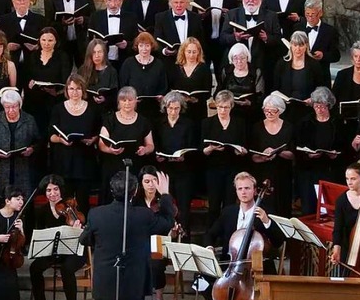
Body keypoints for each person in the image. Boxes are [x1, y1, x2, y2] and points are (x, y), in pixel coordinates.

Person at [79, 170, 175, 300]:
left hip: (105, 280)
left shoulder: (96, 213)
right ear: (135, 190)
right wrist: (165, 194)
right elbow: (168, 222)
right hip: (133, 282)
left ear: (111, 190)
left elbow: (85, 240)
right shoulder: (143, 215)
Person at [202, 172, 285, 300]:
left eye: (247, 188)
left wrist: (267, 222)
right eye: (240, 189)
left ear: (255, 190)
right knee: (200, 281)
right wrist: (209, 246)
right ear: (236, 191)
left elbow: (278, 241)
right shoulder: (229, 212)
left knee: (265, 289)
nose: (243, 192)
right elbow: (210, 233)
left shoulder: (264, 213)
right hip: (231, 265)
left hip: (257, 266)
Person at [28, 175, 86, 300]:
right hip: (53, 250)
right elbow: (39, 232)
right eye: (48, 190)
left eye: (55, 189)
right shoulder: (41, 210)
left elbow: (86, 232)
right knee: (34, 268)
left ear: (61, 190)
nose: (52, 193)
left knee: (67, 269)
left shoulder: (70, 206)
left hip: (73, 249)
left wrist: (78, 229)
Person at [49, 74, 101, 217]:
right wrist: (61, 140)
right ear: (66, 90)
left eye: (78, 89)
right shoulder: (58, 109)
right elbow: (51, 135)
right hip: (64, 161)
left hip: (84, 161)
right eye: (71, 89)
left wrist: (93, 140)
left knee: (83, 200)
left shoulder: (92, 109)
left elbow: (98, 131)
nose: (74, 92)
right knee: (65, 200)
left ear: (83, 90)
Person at [133, 166, 179, 300]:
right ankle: (137, 298)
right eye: (147, 181)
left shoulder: (165, 200)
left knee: (156, 263)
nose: (151, 184)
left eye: (154, 180)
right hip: (139, 243)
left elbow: (171, 221)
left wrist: (173, 231)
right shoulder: (135, 201)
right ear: (141, 183)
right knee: (134, 260)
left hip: (159, 242)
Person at [220, 0, 282, 94]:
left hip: (262, 63)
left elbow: (278, 40)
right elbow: (223, 38)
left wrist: (267, 38)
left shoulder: (271, 16)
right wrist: (236, 37)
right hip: (237, 67)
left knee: (262, 96)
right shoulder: (232, 14)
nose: (250, 0)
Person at [98, 86, 154, 205]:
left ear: (136, 101)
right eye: (124, 100)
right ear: (119, 102)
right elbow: (101, 143)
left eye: (130, 100)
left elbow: (150, 145)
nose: (127, 103)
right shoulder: (110, 119)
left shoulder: (143, 121)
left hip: (135, 165)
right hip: (113, 165)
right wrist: (110, 150)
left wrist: (145, 150)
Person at [295, 87, 345, 215]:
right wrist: (308, 155)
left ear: (329, 106)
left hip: (331, 171)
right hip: (309, 172)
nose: (320, 110)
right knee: (310, 209)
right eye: (316, 106)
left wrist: (336, 155)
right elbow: (297, 147)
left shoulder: (338, 122)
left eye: (323, 106)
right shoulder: (305, 122)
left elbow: (345, 147)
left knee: (330, 209)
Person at [201, 90, 249, 224]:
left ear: (231, 106)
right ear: (216, 105)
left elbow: (245, 147)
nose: (223, 110)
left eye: (226, 107)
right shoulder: (207, 123)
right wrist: (210, 148)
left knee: (230, 205)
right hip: (213, 169)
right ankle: (211, 236)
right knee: (214, 205)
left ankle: (228, 236)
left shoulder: (239, 123)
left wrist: (241, 151)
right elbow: (202, 150)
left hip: (232, 168)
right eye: (220, 107)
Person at [153, 91, 197, 236]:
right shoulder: (159, 123)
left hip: (183, 170)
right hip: (165, 169)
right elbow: (156, 145)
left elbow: (193, 146)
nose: (173, 111)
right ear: (165, 108)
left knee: (184, 206)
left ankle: (184, 237)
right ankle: (166, 236)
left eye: (176, 108)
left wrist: (184, 157)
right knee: (165, 204)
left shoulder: (188, 124)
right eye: (170, 108)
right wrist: (158, 156)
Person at [0, 89, 40, 199]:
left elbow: (38, 141)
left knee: (22, 200)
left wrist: (32, 149)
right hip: (1, 169)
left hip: (23, 169)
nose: (11, 110)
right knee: (0, 200)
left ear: (20, 105)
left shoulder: (29, 120)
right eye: (7, 107)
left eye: (14, 106)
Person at [23, 26, 72, 142]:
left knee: (51, 133)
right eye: (43, 40)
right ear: (39, 40)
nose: (46, 43)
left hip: (54, 100)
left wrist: (55, 90)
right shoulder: (33, 56)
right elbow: (26, 75)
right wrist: (29, 83)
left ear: (56, 41)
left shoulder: (62, 56)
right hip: (34, 101)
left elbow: (64, 80)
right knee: (36, 135)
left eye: (50, 40)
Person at [249, 94, 295, 217]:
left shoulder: (288, 127)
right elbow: (252, 156)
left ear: (280, 111)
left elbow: (292, 154)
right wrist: (263, 157)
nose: (268, 114)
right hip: (262, 173)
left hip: (282, 173)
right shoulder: (257, 127)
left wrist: (277, 152)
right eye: (266, 110)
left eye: (272, 111)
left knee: (282, 207)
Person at [192, 0, 239, 75]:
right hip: (205, 41)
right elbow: (193, 19)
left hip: (223, 42)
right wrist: (201, 17)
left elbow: (237, 20)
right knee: (203, 73)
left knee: (222, 73)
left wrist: (229, 16)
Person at [44, 0, 96, 66]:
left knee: (84, 71)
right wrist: (62, 23)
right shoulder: (50, 0)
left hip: (81, 42)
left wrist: (83, 20)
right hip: (61, 43)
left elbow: (94, 19)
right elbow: (48, 25)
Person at [272, 30, 325, 123]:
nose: (298, 49)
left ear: (306, 46)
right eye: (295, 45)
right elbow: (275, 88)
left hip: (307, 110)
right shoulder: (281, 64)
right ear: (291, 45)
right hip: (286, 109)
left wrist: (313, 99)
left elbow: (321, 87)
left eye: (301, 45)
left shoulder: (314, 65)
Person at [0, 0, 47, 81]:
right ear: (13, 2)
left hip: (33, 65)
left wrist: (37, 46)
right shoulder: (4, 20)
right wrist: (7, 47)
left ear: (29, 1)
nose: (22, 3)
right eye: (19, 0)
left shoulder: (40, 20)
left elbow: (46, 41)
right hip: (11, 64)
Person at [119, 32, 168, 120]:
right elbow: (123, 86)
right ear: (137, 46)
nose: (144, 49)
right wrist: (130, 98)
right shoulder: (128, 63)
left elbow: (163, 86)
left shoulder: (159, 64)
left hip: (153, 110)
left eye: (147, 45)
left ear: (152, 46)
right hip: (132, 109)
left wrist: (161, 96)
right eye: (141, 46)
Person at [88, 0, 139, 70]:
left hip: (124, 61)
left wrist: (127, 45)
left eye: (116, 0)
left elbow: (136, 40)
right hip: (102, 61)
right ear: (105, 1)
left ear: (121, 1)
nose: (113, 4)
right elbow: (90, 39)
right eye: (109, 0)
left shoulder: (131, 17)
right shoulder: (95, 17)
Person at [292, 0, 340, 83]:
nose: (310, 18)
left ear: (320, 13)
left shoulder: (330, 31)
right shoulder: (297, 28)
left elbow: (336, 55)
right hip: (301, 76)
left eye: (313, 14)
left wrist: (323, 55)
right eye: (307, 14)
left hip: (321, 76)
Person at [215, 43, 264, 123]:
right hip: (230, 110)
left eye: (242, 58)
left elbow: (260, 95)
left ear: (247, 58)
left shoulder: (255, 72)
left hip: (250, 110)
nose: (239, 61)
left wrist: (250, 103)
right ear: (231, 59)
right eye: (235, 58)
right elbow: (219, 90)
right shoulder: (227, 71)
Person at [153, 0, 204, 68]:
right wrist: (164, 51)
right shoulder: (161, 17)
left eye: (181, 2)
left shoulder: (195, 17)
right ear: (170, 3)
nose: (179, 5)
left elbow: (200, 39)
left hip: (191, 62)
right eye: (176, 2)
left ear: (187, 3)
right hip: (170, 62)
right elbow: (157, 39)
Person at [167, 36, 212, 122]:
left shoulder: (204, 69)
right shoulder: (175, 68)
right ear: (183, 52)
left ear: (199, 52)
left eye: (194, 52)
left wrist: (194, 99)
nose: (191, 55)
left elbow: (207, 91)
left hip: (198, 110)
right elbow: (170, 88)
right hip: (180, 110)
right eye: (189, 52)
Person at [77, 39, 119, 112]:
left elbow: (115, 95)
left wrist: (105, 99)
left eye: (99, 52)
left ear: (104, 53)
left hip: (105, 110)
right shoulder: (82, 70)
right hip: (86, 109)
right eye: (94, 52)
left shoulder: (112, 71)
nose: (97, 55)